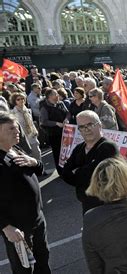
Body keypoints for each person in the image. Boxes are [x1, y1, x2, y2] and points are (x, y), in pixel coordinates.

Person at [0, 112, 51, 274]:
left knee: (43, 260)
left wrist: (34, 162)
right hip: (17, 228)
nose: (17, 131)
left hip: (37, 219)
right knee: (24, 268)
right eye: (11, 129)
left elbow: (41, 169)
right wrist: (6, 227)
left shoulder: (15, 148)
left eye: (17, 128)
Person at [61, 110, 120, 214]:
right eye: (82, 127)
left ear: (100, 125)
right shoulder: (79, 148)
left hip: (107, 205)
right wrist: (82, 175)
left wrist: (77, 172)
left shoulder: (108, 147)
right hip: (86, 204)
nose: (86, 129)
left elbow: (96, 175)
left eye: (90, 124)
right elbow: (65, 172)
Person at [39, 88, 69, 172]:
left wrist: (66, 119)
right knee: (57, 153)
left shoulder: (60, 103)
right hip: (53, 134)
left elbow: (67, 113)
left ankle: (66, 167)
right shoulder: (44, 107)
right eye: (55, 94)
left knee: (65, 151)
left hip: (64, 132)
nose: (58, 96)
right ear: (49, 96)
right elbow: (43, 121)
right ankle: (60, 171)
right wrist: (56, 123)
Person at [10, 92, 41, 161]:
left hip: (32, 137)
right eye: (18, 99)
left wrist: (35, 132)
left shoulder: (28, 111)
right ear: (14, 101)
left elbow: (32, 123)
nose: (21, 100)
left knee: (37, 155)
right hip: (22, 139)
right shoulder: (12, 113)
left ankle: (40, 171)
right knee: (27, 158)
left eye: (23, 98)